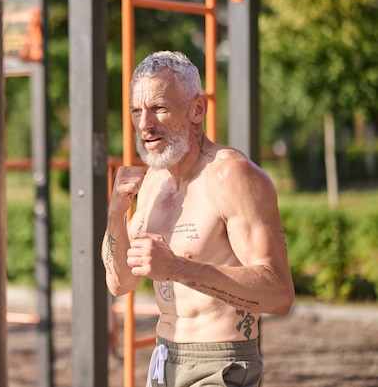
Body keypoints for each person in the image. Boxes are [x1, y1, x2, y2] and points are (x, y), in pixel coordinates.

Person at [102, 51, 295, 387]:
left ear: (197, 109)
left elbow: (279, 295)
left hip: (221, 363)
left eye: (159, 108)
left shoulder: (232, 176)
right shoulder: (154, 182)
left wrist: (178, 268)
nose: (145, 124)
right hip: (164, 360)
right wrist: (116, 214)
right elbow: (119, 284)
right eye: (137, 110)